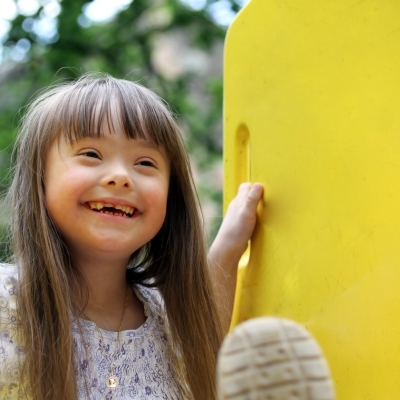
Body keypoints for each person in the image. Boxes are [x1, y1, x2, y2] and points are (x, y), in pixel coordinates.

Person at [0, 73, 264, 400]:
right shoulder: (6, 303)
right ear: (40, 178)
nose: (121, 177)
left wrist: (229, 246)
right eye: (91, 154)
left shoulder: (174, 325)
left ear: (172, 195)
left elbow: (204, 327)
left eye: (145, 162)